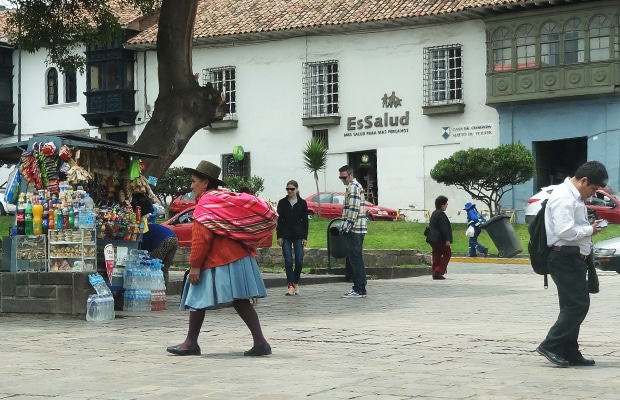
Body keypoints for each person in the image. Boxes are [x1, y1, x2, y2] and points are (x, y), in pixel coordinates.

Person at [166, 160, 271, 357]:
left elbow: (201, 238)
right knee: (240, 300)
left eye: (194, 181)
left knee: (196, 296)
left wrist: (195, 265)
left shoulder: (206, 203)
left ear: (205, 183)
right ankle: (260, 342)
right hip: (240, 257)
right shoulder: (225, 199)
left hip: (222, 259)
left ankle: (190, 343)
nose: (191, 186)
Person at [536, 161, 608, 367]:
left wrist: (587, 226)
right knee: (578, 305)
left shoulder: (574, 196)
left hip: (573, 258)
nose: (592, 194)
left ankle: (570, 350)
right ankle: (551, 344)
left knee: (570, 305)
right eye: (593, 189)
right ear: (584, 180)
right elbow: (565, 231)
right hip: (564, 257)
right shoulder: (564, 197)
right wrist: (589, 230)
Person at [130, 193, 178, 286]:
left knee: (154, 268)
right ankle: (163, 292)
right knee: (164, 268)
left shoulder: (141, 231)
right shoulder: (145, 226)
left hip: (163, 241)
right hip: (173, 238)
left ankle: (155, 291)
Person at [338, 165, 368, 298]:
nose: (342, 180)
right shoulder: (355, 186)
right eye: (340, 177)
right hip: (358, 228)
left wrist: (345, 227)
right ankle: (361, 287)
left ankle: (358, 288)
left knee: (355, 260)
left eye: (344, 177)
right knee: (357, 259)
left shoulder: (353, 187)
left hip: (354, 229)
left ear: (350, 175)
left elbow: (353, 210)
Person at [276, 180, 309, 296]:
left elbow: (305, 221)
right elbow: (278, 221)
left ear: (297, 189)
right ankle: (290, 284)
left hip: (298, 235)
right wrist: (279, 236)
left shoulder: (302, 203)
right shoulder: (282, 203)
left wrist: (305, 237)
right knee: (288, 261)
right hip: (286, 235)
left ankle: (296, 281)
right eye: (288, 189)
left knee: (299, 260)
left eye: (292, 189)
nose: (290, 191)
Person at [426, 195, 453, 280]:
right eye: (446, 204)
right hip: (440, 239)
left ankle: (435, 273)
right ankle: (439, 271)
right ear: (442, 205)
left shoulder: (434, 213)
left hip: (432, 239)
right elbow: (444, 228)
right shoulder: (441, 214)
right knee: (447, 253)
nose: (447, 206)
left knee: (436, 255)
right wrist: (447, 239)